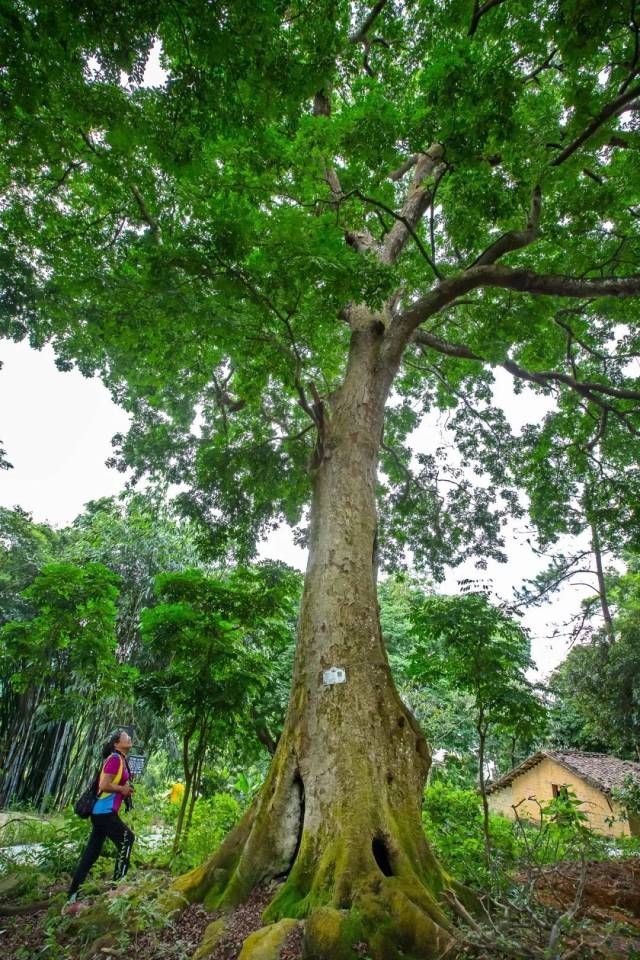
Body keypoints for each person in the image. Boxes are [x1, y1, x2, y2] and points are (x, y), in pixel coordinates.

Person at [66, 729, 135, 906]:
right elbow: (104, 784)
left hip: (102, 813)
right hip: (104, 813)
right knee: (128, 838)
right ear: (116, 743)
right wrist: (122, 789)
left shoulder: (120, 759)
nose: (129, 738)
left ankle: (72, 897)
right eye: (126, 736)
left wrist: (125, 790)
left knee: (91, 853)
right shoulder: (114, 759)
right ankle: (117, 888)